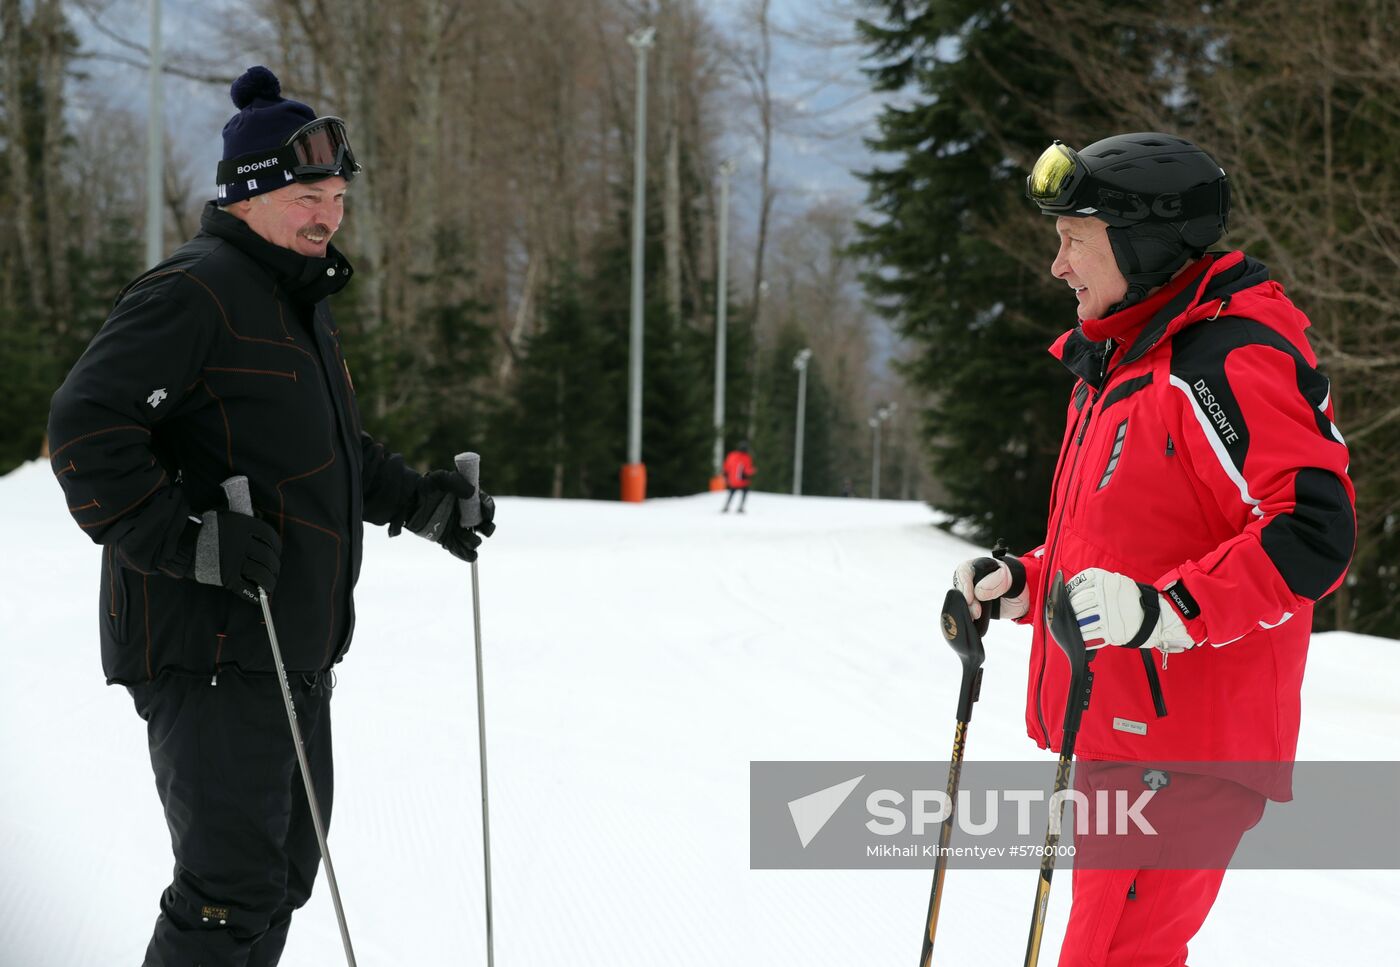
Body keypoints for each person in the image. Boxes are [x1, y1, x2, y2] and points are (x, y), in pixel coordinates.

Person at [47, 66, 495, 966]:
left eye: (335, 196)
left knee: (281, 877)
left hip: (287, 646)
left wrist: (426, 506)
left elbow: (333, 454)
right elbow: (84, 428)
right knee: (227, 892)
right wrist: (185, 539)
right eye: (304, 196)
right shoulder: (195, 290)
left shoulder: (295, 307)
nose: (326, 214)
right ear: (245, 197)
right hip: (209, 641)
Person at [954, 132, 1355, 967]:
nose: (1058, 265)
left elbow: (1314, 532)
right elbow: (1129, 539)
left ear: (1142, 244)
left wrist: (1171, 611)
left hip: (1184, 746)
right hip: (1123, 733)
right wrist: (1026, 585)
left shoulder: (1224, 359)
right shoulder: (1124, 360)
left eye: (1076, 240)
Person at [721, 441, 756, 513]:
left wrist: (726, 475)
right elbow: (747, 470)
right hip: (743, 481)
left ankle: (726, 506)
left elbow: (726, 466)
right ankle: (740, 507)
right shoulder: (747, 457)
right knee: (744, 493)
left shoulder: (732, 455)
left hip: (733, 480)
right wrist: (753, 470)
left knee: (731, 493)